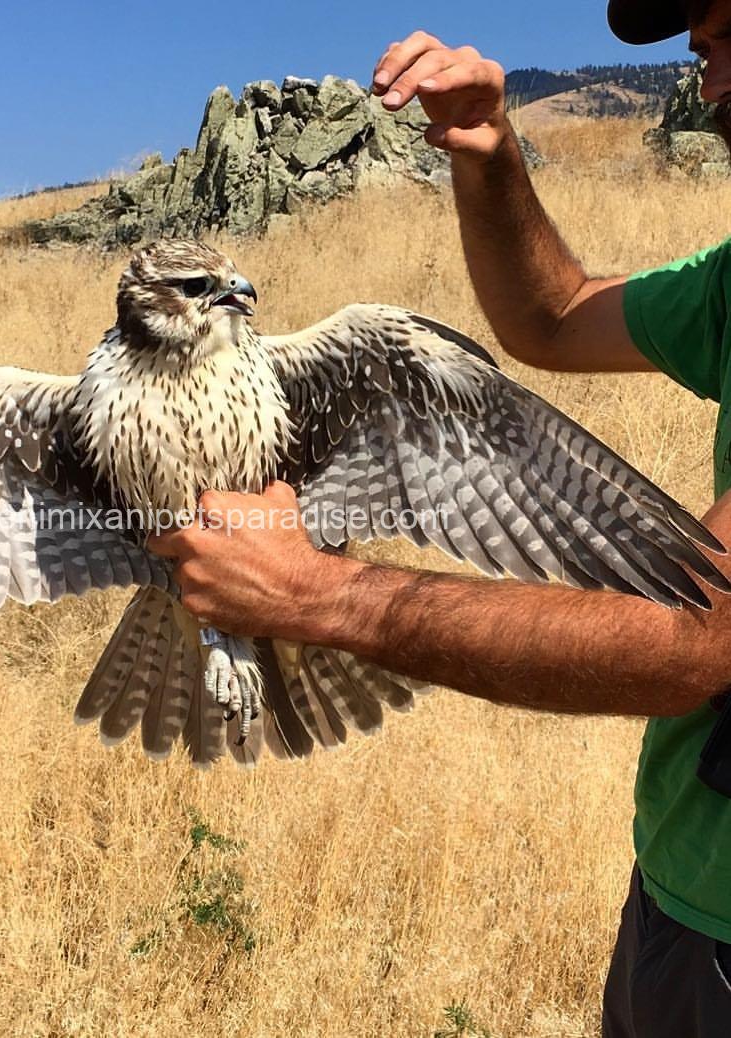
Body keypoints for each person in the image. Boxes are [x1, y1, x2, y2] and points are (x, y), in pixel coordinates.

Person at [147, 2, 731, 1034]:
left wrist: (324, 595)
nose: (710, 83)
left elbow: (699, 641)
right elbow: (549, 317)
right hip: (681, 889)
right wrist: (487, 151)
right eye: (703, 49)